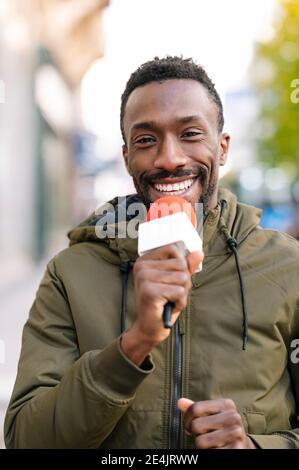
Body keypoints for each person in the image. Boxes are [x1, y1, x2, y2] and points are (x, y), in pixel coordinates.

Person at [4, 56, 299, 449]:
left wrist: (257, 446)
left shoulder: (286, 265)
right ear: (126, 158)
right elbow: (26, 440)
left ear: (222, 147)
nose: (169, 158)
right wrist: (135, 343)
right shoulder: (70, 274)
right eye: (146, 140)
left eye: (191, 133)